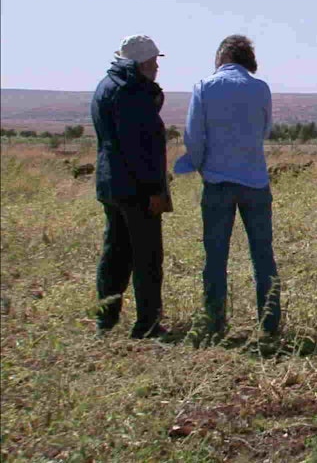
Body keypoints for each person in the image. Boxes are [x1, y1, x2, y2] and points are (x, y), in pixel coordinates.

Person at [176, 35, 280, 338]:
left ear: (220, 57)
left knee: (216, 256)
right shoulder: (260, 88)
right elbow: (265, 130)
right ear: (249, 59)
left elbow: (194, 136)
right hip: (255, 181)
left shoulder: (204, 87)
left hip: (218, 182)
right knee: (263, 255)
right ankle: (270, 325)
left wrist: (196, 165)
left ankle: (215, 324)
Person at [91, 34, 171, 339]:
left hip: (110, 183)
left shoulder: (106, 85)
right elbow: (142, 147)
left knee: (115, 252)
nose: (156, 67)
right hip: (136, 187)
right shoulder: (132, 91)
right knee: (147, 256)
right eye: (152, 61)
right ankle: (147, 325)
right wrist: (154, 189)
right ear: (142, 63)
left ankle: (105, 319)